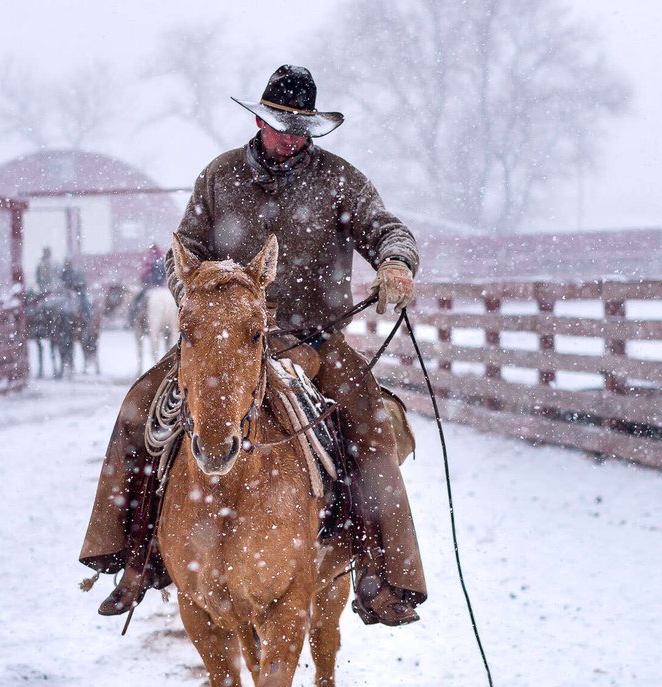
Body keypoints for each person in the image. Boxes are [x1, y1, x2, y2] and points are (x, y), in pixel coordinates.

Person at [79, 64, 425, 626]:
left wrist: (396, 263)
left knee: (369, 423)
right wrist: (203, 294)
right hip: (221, 337)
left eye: (300, 127)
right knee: (140, 407)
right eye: (278, 122)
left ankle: (383, 574)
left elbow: (389, 229)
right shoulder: (219, 178)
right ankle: (134, 555)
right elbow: (182, 250)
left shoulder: (340, 181)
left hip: (313, 338)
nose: (289, 136)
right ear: (259, 118)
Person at [60, 256, 91, 324]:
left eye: (68, 262)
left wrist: (75, 286)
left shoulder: (76, 272)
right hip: (66, 293)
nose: (67, 264)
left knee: (84, 302)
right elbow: (61, 282)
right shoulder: (63, 272)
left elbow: (81, 283)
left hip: (78, 292)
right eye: (66, 262)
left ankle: (87, 318)